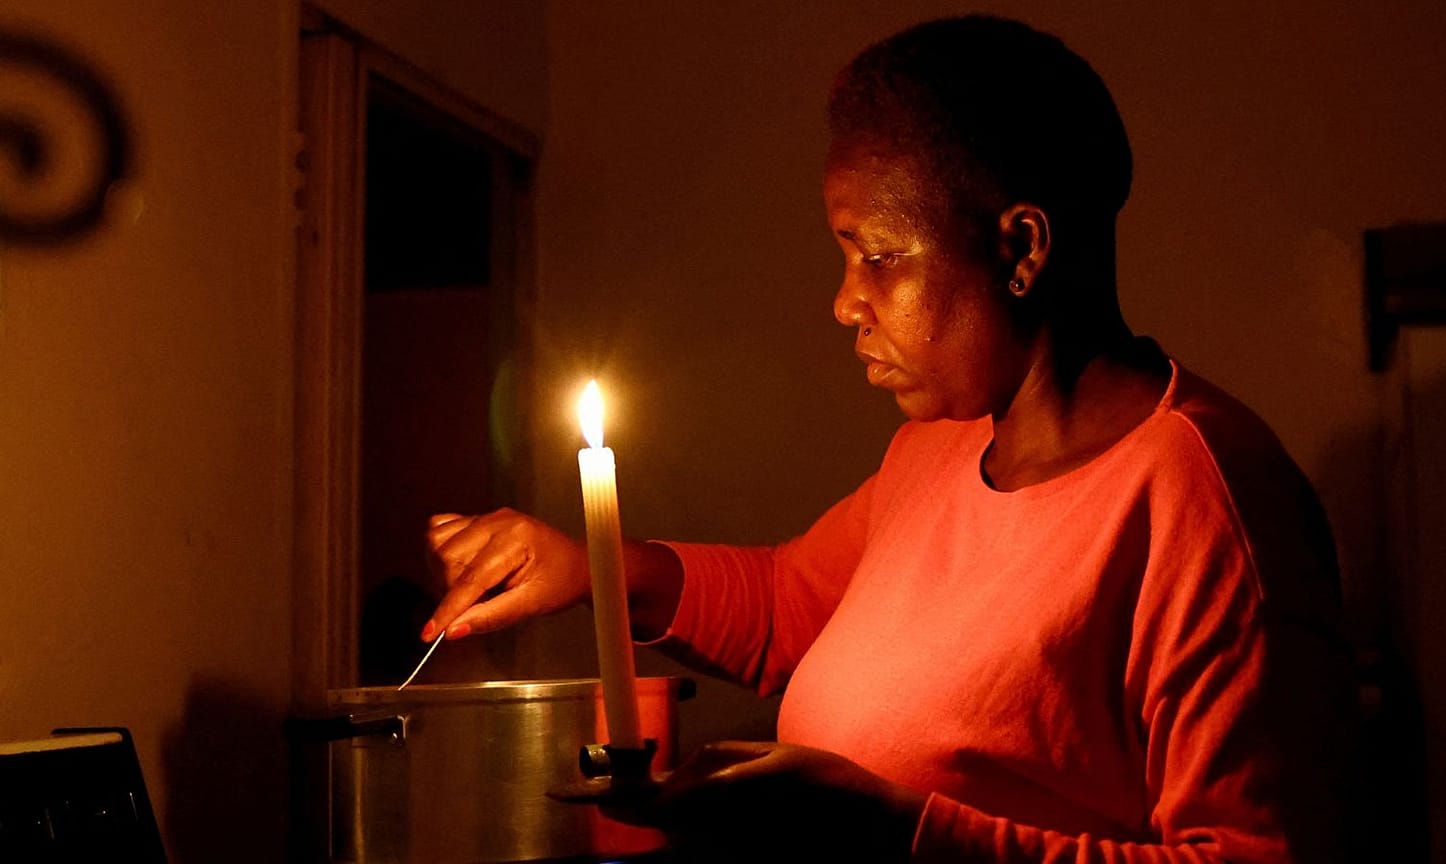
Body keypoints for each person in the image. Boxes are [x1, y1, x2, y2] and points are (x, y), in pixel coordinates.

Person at [418, 15, 1352, 863]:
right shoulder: (940, 450)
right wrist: (594, 568)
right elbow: (792, 608)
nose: (845, 302)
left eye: (878, 256)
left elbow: (1254, 856)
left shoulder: (1202, 498)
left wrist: (892, 826)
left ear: (1022, 249)